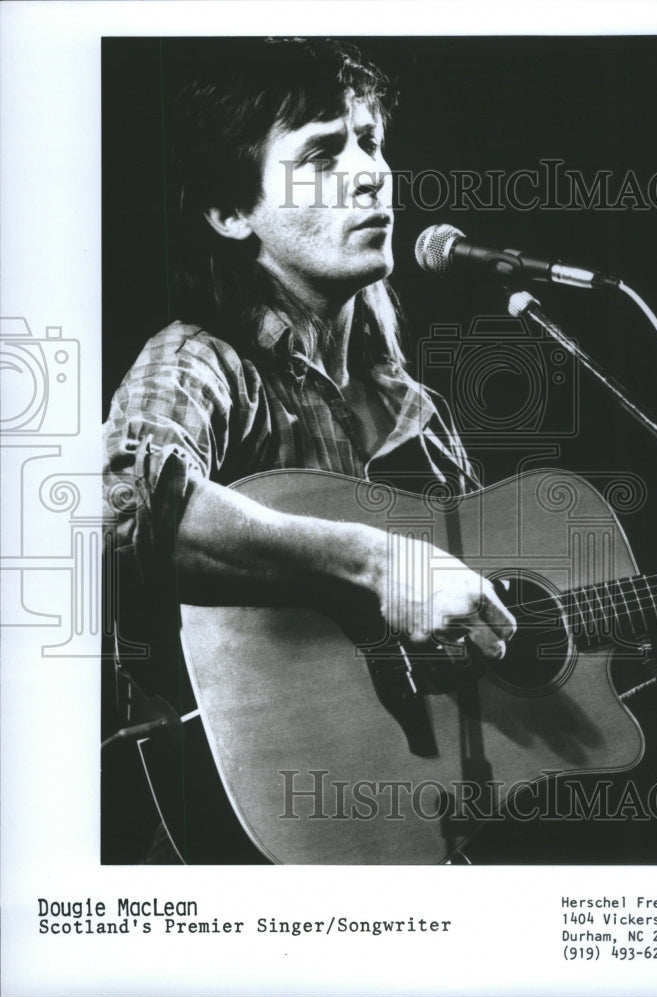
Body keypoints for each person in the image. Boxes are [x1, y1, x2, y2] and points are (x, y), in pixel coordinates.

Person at [102, 37, 516, 861]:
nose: (369, 172)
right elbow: (114, 505)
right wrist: (372, 563)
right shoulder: (199, 361)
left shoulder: (417, 414)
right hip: (226, 842)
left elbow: (471, 636)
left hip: (408, 829)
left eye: (371, 141)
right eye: (323, 152)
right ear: (230, 212)